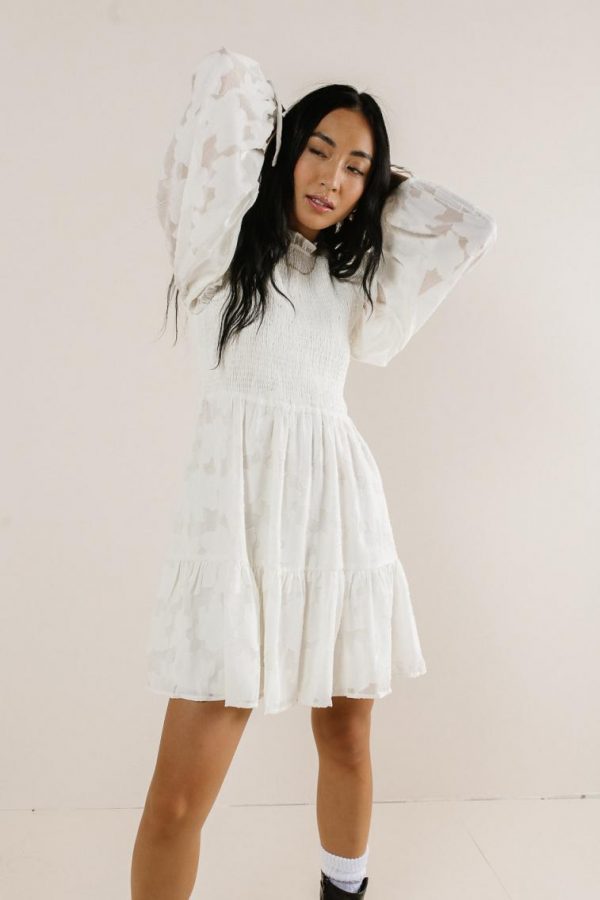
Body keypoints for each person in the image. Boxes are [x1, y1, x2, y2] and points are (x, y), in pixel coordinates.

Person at [131, 46, 497, 900]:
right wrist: (285, 142)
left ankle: (346, 890)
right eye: (319, 151)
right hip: (235, 536)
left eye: (356, 168)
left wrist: (379, 181)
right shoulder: (218, 253)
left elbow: (468, 227)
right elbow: (228, 81)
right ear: (283, 149)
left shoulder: (352, 286)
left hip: (336, 522)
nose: (333, 178)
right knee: (178, 800)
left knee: (347, 740)